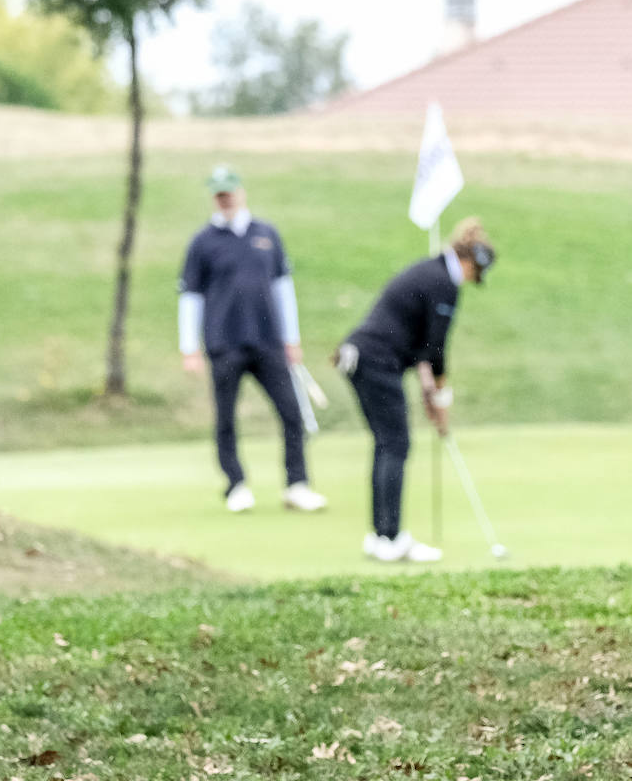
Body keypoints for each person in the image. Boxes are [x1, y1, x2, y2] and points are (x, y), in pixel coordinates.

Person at [335, 217, 496, 563]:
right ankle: (390, 538)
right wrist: (440, 396)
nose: (472, 280)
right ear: (470, 263)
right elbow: (436, 349)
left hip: (361, 357)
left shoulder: (432, 272)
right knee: (395, 444)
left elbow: (424, 348)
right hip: (375, 360)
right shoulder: (444, 282)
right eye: (475, 274)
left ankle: (381, 536)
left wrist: (431, 395)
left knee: (387, 444)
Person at [179, 165, 327, 513]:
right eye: (218, 193)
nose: (224, 197)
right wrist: (189, 348)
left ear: (241, 192)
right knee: (226, 418)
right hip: (224, 342)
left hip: (268, 340)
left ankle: (297, 484)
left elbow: (282, 288)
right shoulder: (202, 243)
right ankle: (236, 485)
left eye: (229, 191)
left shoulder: (266, 234)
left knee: (291, 412)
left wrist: (291, 338)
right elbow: (191, 297)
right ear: (213, 197)